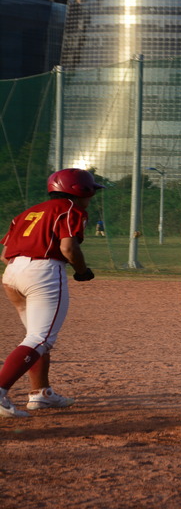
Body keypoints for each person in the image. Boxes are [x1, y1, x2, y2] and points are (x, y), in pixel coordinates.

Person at [0, 169, 103, 417]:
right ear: (81, 190)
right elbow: (68, 247)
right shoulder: (71, 209)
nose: (92, 197)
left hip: (12, 272)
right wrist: (82, 270)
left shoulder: (27, 212)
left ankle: (40, 393)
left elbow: (4, 255)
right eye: (91, 191)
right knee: (41, 339)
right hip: (44, 270)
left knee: (36, 338)